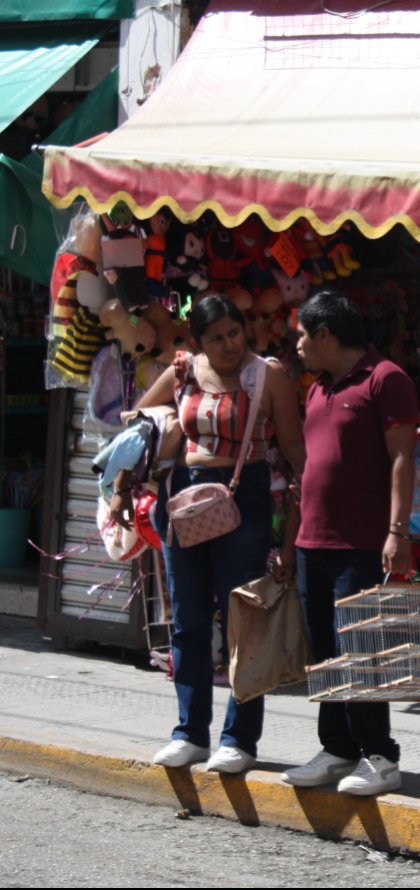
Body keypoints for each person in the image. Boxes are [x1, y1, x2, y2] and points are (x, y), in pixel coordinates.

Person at [111, 294, 305, 773]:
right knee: (190, 620)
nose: (227, 346)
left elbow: (296, 451)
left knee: (244, 622)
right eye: (215, 338)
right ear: (198, 341)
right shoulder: (181, 370)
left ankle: (239, 739)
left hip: (246, 499)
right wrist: (121, 488)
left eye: (234, 333)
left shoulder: (268, 375)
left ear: (246, 330)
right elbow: (138, 428)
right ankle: (190, 733)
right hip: (182, 500)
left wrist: (298, 527)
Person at [283, 290, 417, 796]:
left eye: (302, 335)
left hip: (360, 542)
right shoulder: (317, 388)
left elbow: (403, 458)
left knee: (360, 650)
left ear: (325, 336)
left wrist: (396, 531)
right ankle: (337, 747)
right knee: (325, 653)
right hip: (312, 540)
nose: (297, 345)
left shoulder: (386, 379)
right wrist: (290, 539)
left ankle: (379, 756)